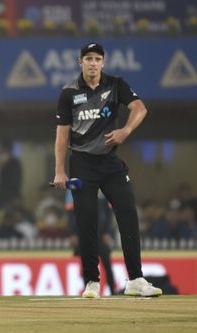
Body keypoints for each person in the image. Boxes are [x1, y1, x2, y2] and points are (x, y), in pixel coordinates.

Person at [53, 42, 162, 298]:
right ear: (80, 62)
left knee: (128, 215)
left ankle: (135, 279)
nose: (93, 63)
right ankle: (92, 282)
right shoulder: (69, 92)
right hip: (81, 162)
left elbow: (140, 108)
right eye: (88, 58)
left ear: (103, 62)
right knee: (87, 223)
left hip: (110, 163)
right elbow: (61, 136)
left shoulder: (116, 85)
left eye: (97, 58)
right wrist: (59, 170)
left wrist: (126, 130)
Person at [0, 140, 22, 210]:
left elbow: (17, 180)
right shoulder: (1, 163)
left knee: (13, 212)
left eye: (4, 150)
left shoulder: (15, 162)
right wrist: (1, 165)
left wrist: (15, 196)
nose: (2, 152)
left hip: (13, 195)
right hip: (3, 195)